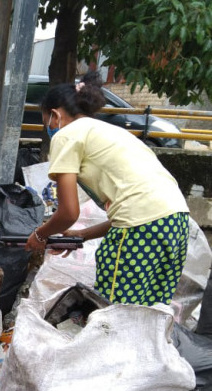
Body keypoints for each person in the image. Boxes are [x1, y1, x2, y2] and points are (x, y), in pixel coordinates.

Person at [25, 72, 189, 306]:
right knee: (149, 314)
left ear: (54, 115)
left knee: (114, 314)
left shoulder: (67, 136)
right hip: (176, 223)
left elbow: (69, 213)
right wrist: (81, 235)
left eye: (47, 123)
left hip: (140, 229)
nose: (49, 129)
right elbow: (136, 209)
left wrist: (40, 235)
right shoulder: (110, 132)